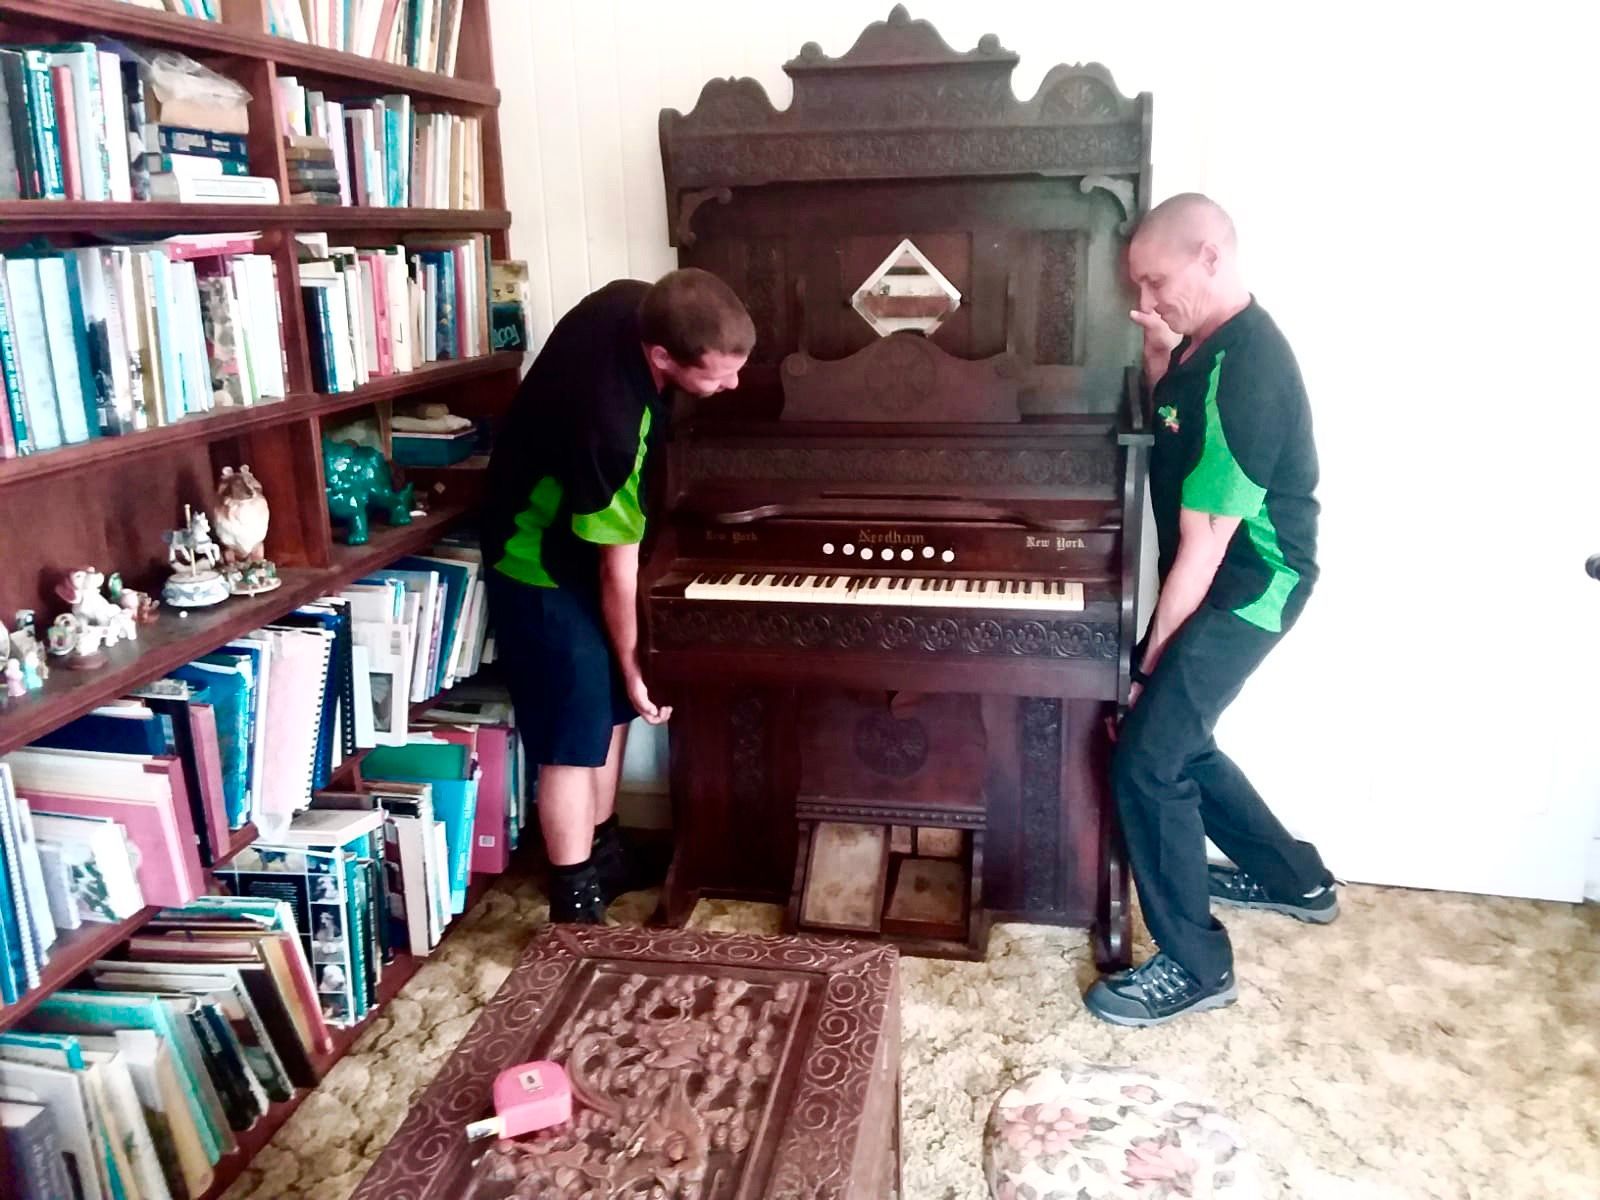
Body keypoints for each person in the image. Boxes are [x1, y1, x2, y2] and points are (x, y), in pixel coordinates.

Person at [1084, 193, 1336, 1027]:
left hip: (1250, 583)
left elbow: (1204, 544)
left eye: (1157, 285)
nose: (1147, 303)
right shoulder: (1202, 345)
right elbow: (1172, 424)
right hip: (1220, 573)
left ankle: (1196, 965)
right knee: (1177, 740)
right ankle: (1295, 878)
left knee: (1147, 760)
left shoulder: (1251, 369)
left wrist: (1149, 660)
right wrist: (1160, 352)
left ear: (1211, 258)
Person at [483, 269, 754, 923]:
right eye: (718, 376)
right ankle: (573, 903)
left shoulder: (643, 302)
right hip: (537, 560)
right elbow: (616, 572)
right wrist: (637, 666)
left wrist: (627, 677)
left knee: (611, 712)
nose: (732, 386)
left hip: (580, 539)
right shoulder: (612, 425)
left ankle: (606, 852)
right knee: (574, 738)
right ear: (662, 356)